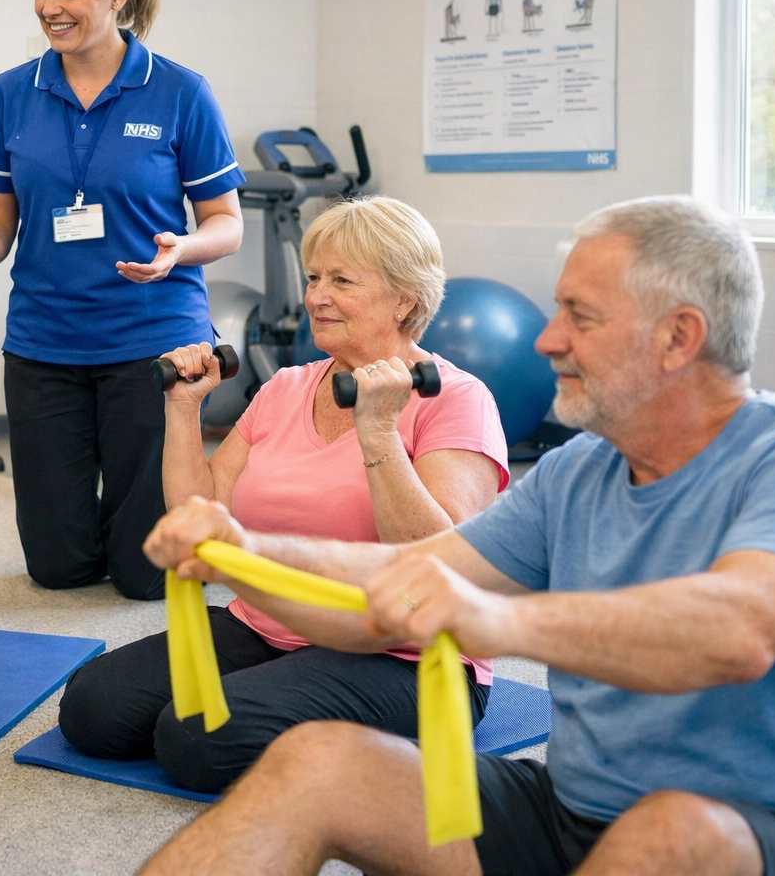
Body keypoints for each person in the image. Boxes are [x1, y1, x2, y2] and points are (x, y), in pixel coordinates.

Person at [138, 196, 775, 876]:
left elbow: (742, 629)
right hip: (568, 812)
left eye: (578, 316)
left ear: (679, 336)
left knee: (674, 831)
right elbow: (407, 575)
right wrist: (243, 548)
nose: (547, 340)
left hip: (755, 830)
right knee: (315, 760)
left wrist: (498, 619)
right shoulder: (577, 471)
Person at [57, 197, 509, 793]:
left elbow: (439, 562)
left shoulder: (457, 398)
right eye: (314, 277)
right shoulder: (286, 387)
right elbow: (200, 516)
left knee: (199, 740)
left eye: (342, 280)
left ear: (405, 299)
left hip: (405, 656)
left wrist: (377, 432)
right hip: (269, 626)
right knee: (93, 707)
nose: (316, 296)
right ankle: (284, 694)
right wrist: (183, 409)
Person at [0, 0, 245, 601]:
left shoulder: (180, 91)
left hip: (154, 336)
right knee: (58, 569)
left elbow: (226, 224)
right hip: (46, 340)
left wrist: (180, 249)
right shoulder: (14, 91)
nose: (49, 8)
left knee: (147, 578)